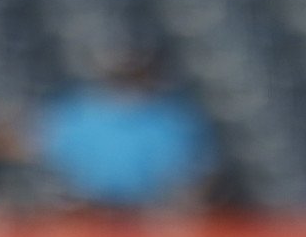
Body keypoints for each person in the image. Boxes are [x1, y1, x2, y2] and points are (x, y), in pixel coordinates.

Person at [35, 52, 212, 213]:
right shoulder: (73, 113)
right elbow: (51, 170)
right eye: (121, 76)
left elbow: (193, 175)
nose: (128, 83)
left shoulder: (174, 117)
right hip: (88, 212)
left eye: (135, 75)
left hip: (153, 214)